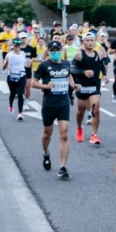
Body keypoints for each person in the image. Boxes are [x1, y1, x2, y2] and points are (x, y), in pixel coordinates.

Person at [32, 41, 80, 179]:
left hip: (63, 103)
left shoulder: (65, 64)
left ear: (61, 50)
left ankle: (63, 167)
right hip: (49, 104)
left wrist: (73, 85)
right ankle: (46, 152)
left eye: (57, 50)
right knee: (47, 134)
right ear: (48, 51)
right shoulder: (44, 65)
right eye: (52, 50)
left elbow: (68, 75)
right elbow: (33, 83)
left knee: (64, 134)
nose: (55, 52)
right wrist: (46, 86)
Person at [72, 31, 107, 145]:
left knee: (95, 109)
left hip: (94, 86)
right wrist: (83, 72)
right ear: (83, 42)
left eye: (92, 40)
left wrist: (105, 75)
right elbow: (72, 69)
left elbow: (101, 65)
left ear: (95, 41)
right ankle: (79, 128)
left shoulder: (98, 54)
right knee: (80, 111)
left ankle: (94, 135)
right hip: (82, 86)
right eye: (87, 40)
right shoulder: (79, 55)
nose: (90, 42)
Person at [3, 38, 28, 120]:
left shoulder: (23, 54)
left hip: (22, 75)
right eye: (15, 45)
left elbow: (25, 64)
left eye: (18, 45)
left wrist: (28, 64)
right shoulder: (9, 55)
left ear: (20, 46)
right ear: (12, 45)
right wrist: (6, 63)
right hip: (12, 76)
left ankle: (20, 113)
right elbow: (3, 68)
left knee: (21, 94)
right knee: (13, 93)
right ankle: (11, 106)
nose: (17, 47)